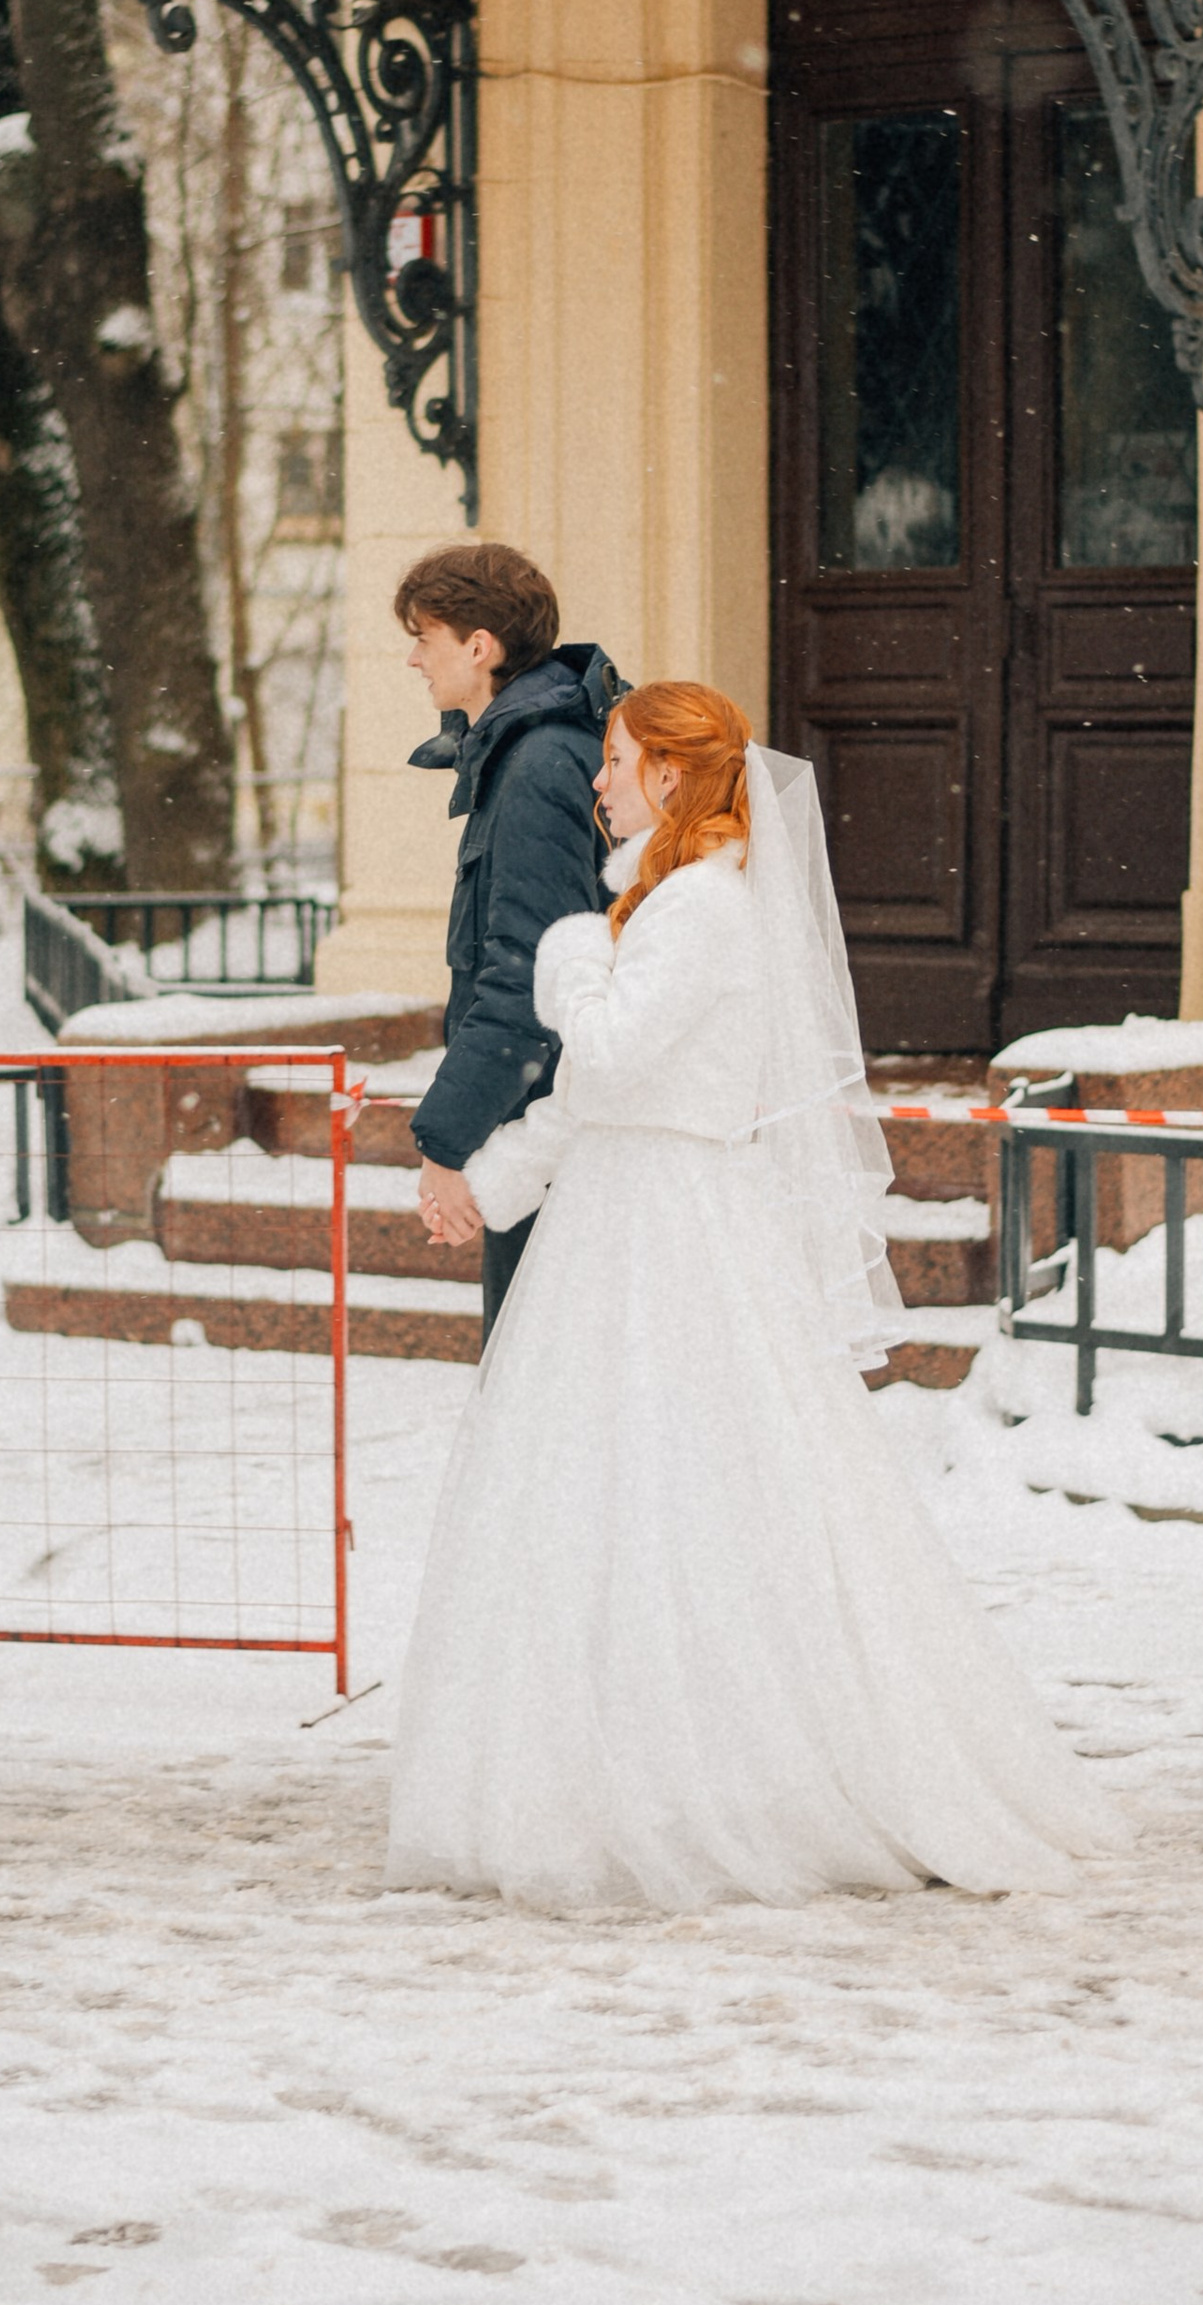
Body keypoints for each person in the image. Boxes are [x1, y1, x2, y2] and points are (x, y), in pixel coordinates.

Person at [387, 679, 1126, 1912]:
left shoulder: (704, 910)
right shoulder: (659, 902)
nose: (599, 780)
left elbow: (611, 1053)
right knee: (591, 1496)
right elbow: (598, 1099)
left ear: (671, 774)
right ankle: (590, 1776)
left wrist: (569, 949)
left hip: (675, 1233)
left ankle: (744, 1772)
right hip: (613, 1217)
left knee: (699, 1491)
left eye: (618, 759)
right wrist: (488, 1177)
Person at [393, 543, 628, 1339]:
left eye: (425, 636)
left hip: (555, 1133)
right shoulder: (537, 749)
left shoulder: (535, 764)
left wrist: (446, 1142)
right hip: (561, 1125)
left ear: (480, 646)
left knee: (544, 1384)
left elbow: (531, 976)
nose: (414, 656)